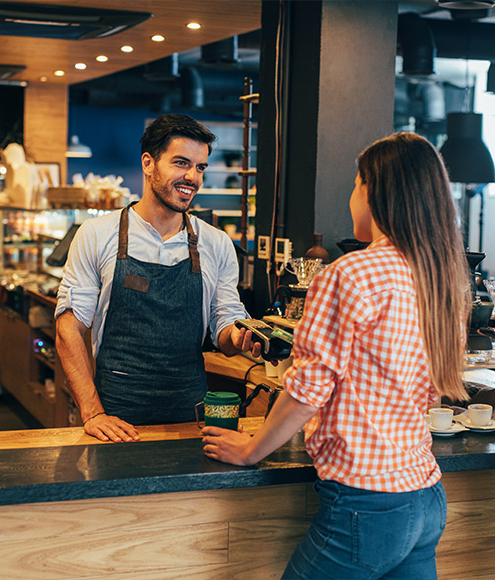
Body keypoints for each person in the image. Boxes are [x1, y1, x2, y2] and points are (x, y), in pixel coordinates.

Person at [202, 132, 471, 580]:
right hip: (425, 496)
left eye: (354, 183)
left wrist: (251, 451)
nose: (351, 195)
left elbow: (308, 390)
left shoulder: (350, 273)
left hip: (366, 504)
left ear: (374, 192)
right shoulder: (444, 277)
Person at [55, 114, 261, 443]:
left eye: (200, 167)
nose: (192, 177)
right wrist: (92, 412)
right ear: (148, 164)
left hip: (188, 410)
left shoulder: (216, 243)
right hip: (115, 411)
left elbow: (224, 318)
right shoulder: (97, 235)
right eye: (181, 163)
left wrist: (240, 337)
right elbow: (69, 328)